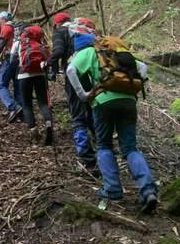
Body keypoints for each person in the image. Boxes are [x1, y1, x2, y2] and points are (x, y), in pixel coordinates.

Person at [67, 32, 158, 212]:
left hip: (103, 101)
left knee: (104, 145)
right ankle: (148, 190)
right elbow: (143, 67)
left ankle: (112, 189)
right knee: (130, 147)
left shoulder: (89, 51)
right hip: (128, 101)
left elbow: (71, 70)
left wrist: (82, 95)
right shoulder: (117, 52)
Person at [46, 12, 96, 169]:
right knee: (91, 110)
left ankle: (87, 159)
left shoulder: (60, 32)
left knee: (77, 115)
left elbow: (58, 51)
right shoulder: (81, 31)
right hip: (91, 73)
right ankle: (104, 148)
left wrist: (47, 63)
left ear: (56, 24)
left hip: (74, 73)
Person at [13, 24, 53, 144]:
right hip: (40, 75)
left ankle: (33, 130)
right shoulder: (40, 45)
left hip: (23, 75)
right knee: (43, 103)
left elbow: (12, 59)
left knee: (27, 105)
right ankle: (48, 125)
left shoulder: (19, 43)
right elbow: (48, 59)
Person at [0, 11, 23, 122]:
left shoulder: (6, 27)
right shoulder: (17, 27)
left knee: (1, 85)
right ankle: (21, 113)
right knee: (18, 87)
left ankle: (13, 107)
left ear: (3, 19)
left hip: (9, 59)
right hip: (20, 60)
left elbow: (1, 45)